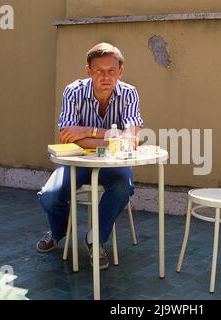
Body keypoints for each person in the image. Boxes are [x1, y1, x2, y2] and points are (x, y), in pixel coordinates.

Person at [36, 43, 143, 270]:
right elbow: (67, 137)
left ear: (120, 71)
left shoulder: (129, 94)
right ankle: (59, 231)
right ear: (88, 71)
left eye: (111, 70)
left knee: (124, 186)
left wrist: (86, 131)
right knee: (49, 195)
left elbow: (130, 139)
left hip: (113, 164)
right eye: (98, 70)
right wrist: (112, 137)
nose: (105, 76)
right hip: (77, 162)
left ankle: (95, 238)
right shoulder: (73, 92)